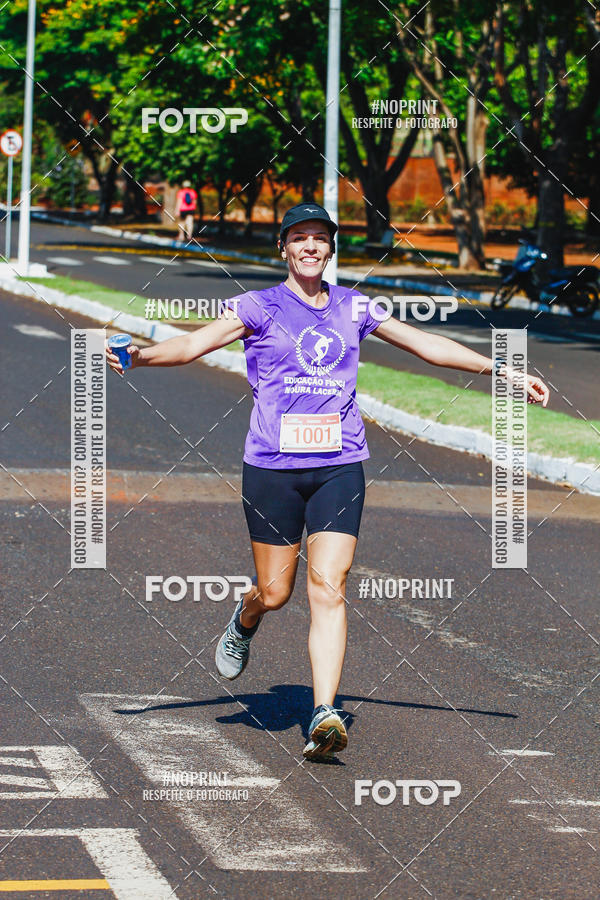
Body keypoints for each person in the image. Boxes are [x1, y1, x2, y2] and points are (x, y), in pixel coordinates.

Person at [106, 202, 549, 761]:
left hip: (340, 464)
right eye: (300, 238)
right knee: (276, 592)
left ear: (330, 248)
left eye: (320, 237)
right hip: (272, 468)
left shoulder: (353, 307)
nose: (311, 246)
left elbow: (425, 344)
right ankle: (245, 618)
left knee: (329, 585)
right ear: (284, 248)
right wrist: (141, 356)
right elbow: (193, 345)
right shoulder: (259, 306)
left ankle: (323, 713)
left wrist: (502, 371)